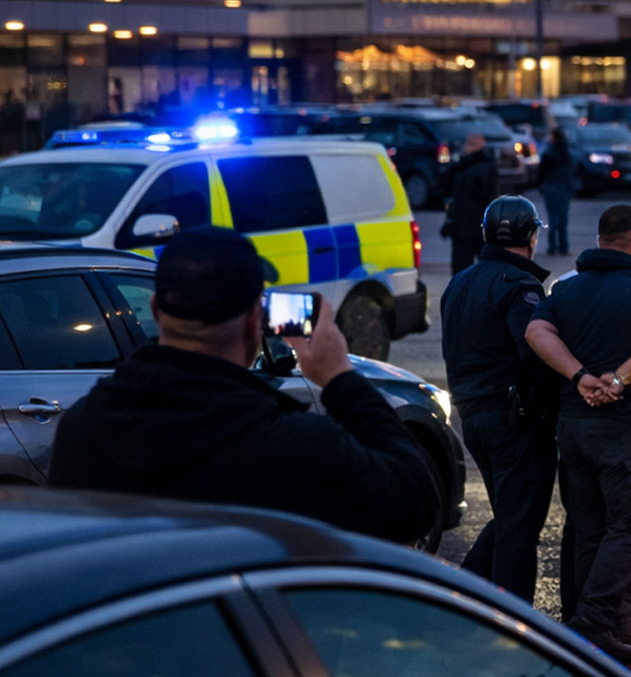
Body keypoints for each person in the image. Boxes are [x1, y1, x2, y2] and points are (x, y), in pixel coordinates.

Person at [49, 227, 440, 543]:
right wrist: (339, 377)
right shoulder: (295, 445)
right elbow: (414, 503)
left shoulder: (83, 427)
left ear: (156, 311)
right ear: (256, 323)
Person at [524, 204, 631, 664]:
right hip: (628, 428)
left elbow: (536, 330)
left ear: (599, 242)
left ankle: (597, 625)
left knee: (590, 529)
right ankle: (591, 627)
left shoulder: (568, 289)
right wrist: (621, 378)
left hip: (576, 428)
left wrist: (579, 377)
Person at [439, 195, 556, 602]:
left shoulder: (460, 281)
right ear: (531, 235)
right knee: (520, 528)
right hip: (514, 421)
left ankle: (461, 597)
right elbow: (536, 354)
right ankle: (514, 624)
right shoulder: (520, 287)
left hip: (473, 417)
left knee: (511, 517)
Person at [441, 132, 500, 273]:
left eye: (471, 143)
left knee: (469, 267)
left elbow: (488, 196)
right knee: (468, 267)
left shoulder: (477, 166)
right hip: (466, 225)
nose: (467, 146)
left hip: (472, 225)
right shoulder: (465, 165)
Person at [538, 127, 575, 256]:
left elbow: (541, 172)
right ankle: (563, 246)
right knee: (563, 218)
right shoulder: (566, 153)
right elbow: (570, 172)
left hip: (551, 186)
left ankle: (552, 246)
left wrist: (540, 185)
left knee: (553, 217)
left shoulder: (548, 153)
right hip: (563, 187)